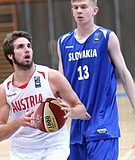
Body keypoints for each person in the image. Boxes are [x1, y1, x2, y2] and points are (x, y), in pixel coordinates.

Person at [0, 30, 91, 160]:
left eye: (29, 46)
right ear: (10, 55)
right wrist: (18, 122)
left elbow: (82, 110)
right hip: (22, 151)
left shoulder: (51, 77)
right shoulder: (4, 90)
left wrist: (71, 112)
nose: (27, 50)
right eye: (20, 47)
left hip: (54, 147)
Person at [57, 0, 135, 159]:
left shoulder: (107, 37)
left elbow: (125, 74)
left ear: (95, 10)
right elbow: (61, 85)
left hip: (103, 125)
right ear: (72, 11)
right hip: (77, 127)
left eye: (84, 7)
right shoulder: (63, 42)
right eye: (75, 7)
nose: (79, 11)